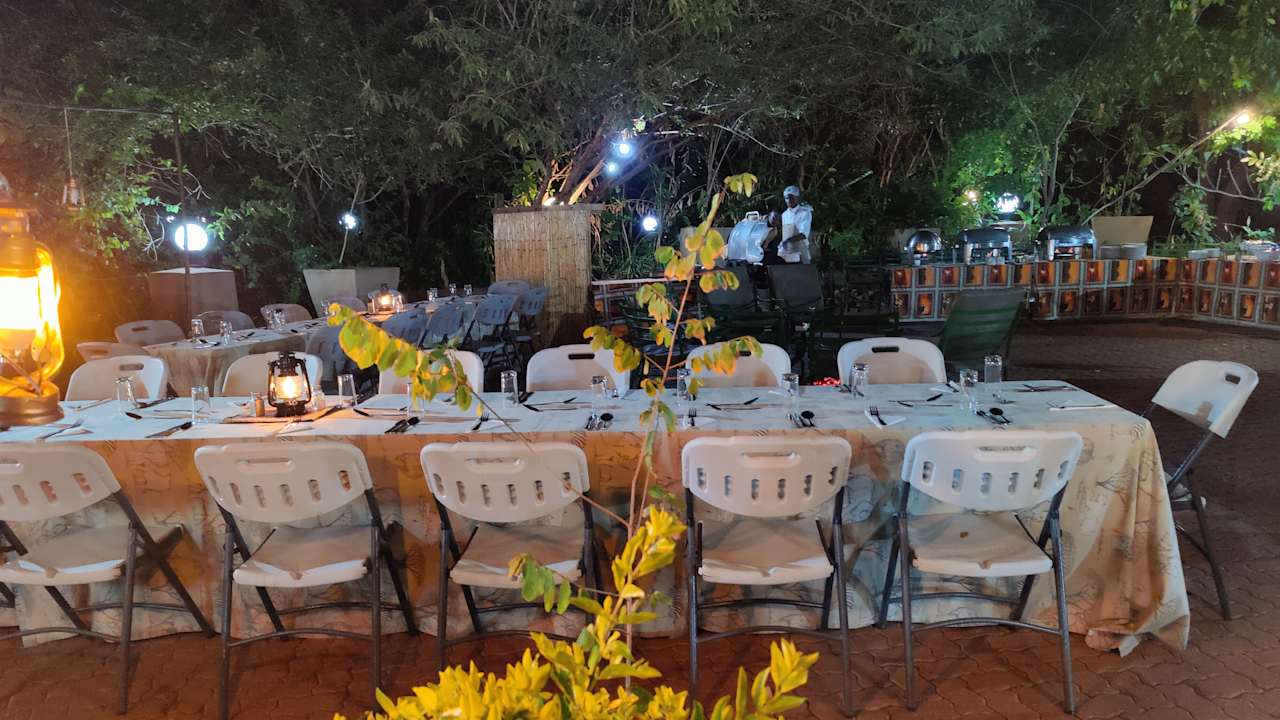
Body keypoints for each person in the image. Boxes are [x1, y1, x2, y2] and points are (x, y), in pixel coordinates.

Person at [777, 185, 813, 263]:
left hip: (801, 251)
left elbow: (803, 235)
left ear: (797, 198)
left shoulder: (805, 213)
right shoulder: (784, 215)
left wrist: (787, 241)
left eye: (791, 197)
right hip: (787, 253)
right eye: (786, 198)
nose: (789, 200)